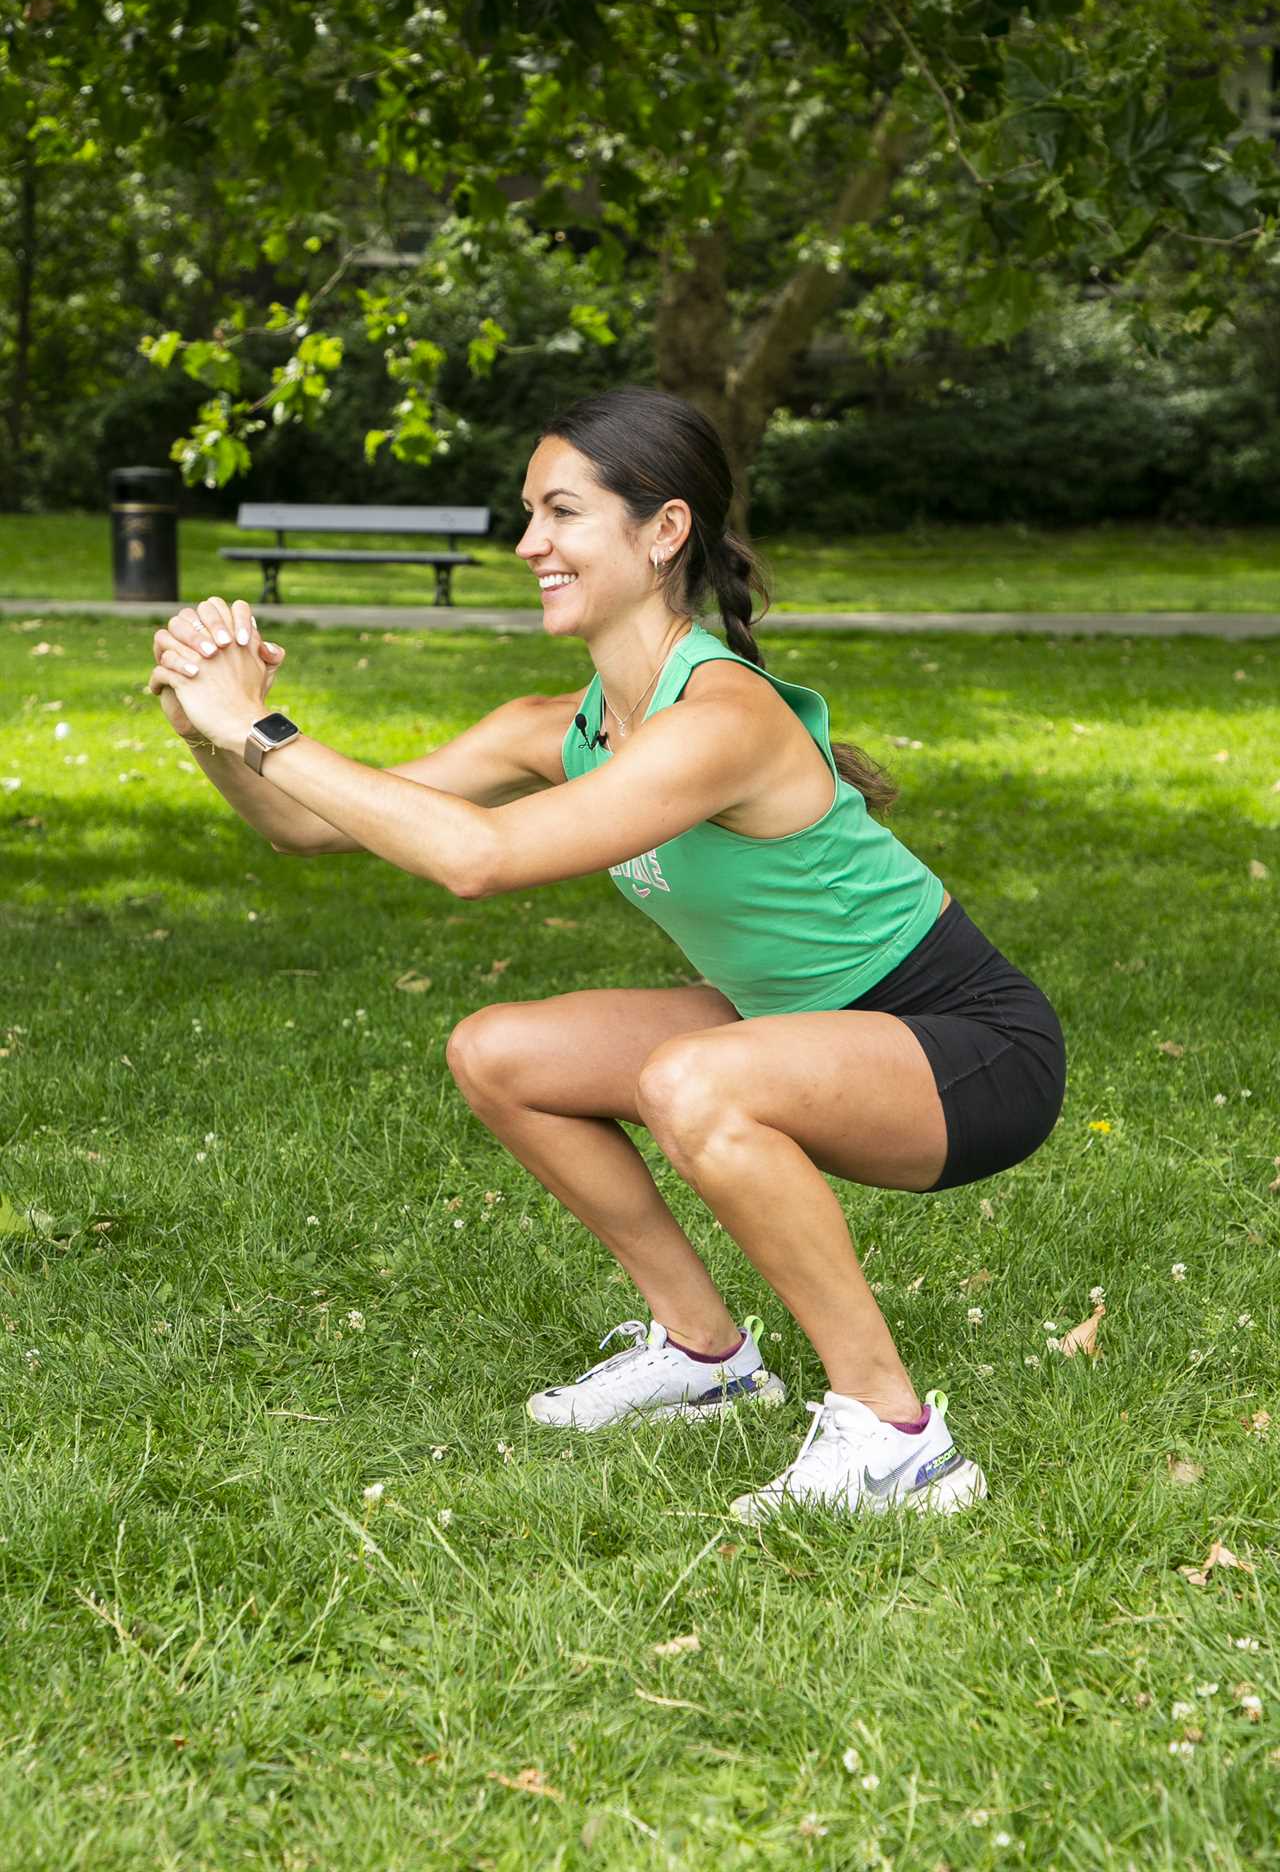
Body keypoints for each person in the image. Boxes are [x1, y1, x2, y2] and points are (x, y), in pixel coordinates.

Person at [148, 385, 1066, 1524]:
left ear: (662, 530)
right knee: (501, 1052)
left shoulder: (721, 718)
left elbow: (476, 858)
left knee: (689, 1081)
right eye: (527, 514)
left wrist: (262, 727)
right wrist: (212, 733)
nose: (528, 543)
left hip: (966, 1047)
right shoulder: (557, 727)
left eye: (561, 513)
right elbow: (305, 826)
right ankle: (704, 1356)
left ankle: (897, 1438)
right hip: (786, 1020)